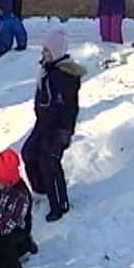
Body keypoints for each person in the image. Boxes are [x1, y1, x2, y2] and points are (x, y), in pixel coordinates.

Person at [20, 30, 86, 222]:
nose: (44, 54)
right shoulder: (47, 70)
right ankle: (42, 188)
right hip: (43, 123)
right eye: (43, 51)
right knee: (28, 152)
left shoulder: (65, 75)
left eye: (48, 51)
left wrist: (59, 127)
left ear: (57, 52)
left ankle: (59, 203)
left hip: (59, 128)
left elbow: (65, 107)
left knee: (49, 161)